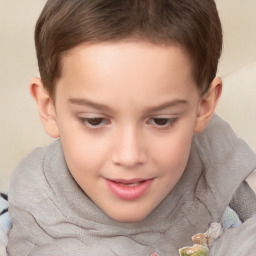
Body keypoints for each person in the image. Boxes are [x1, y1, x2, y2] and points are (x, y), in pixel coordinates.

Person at [6, 0, 256, 255]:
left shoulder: (215, 154)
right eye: (94, 120)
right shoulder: (40, 225)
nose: (129, 155)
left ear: (203, 107)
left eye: (161, 120)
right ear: (49, 108)